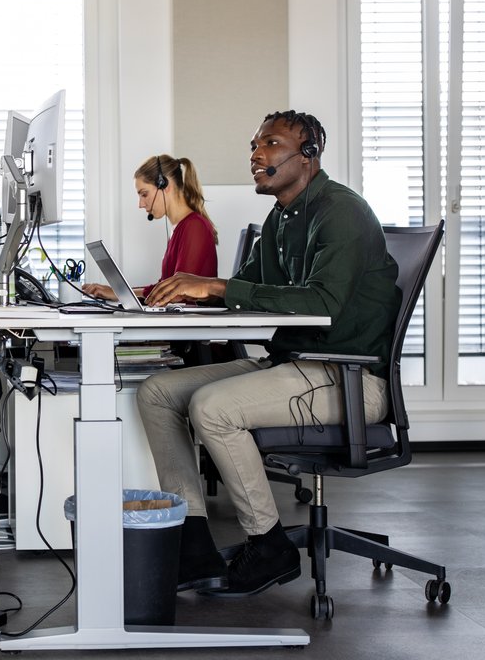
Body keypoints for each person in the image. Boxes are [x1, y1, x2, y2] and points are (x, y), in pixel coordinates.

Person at [135, 111, 400, 597]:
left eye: (271, 144)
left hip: (349, 379)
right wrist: (190, 291)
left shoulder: (341, 212)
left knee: (212, 408)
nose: (256, 155)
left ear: (309, 155)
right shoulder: (282, 217)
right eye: (254, 145)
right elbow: (250, 290)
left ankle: (268, 544)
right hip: (295, 365)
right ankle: (192, 546)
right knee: (157, 392)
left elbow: (323, 303)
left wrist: (215, 284)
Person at [82, 154, 218, 301]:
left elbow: (180, 293)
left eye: (144, 194)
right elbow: (164, 287)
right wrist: (118, 292)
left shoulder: (194, 226)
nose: (140, 204)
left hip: (191, 322)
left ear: (165, 185)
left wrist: (117, 294)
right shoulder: (178, 228)